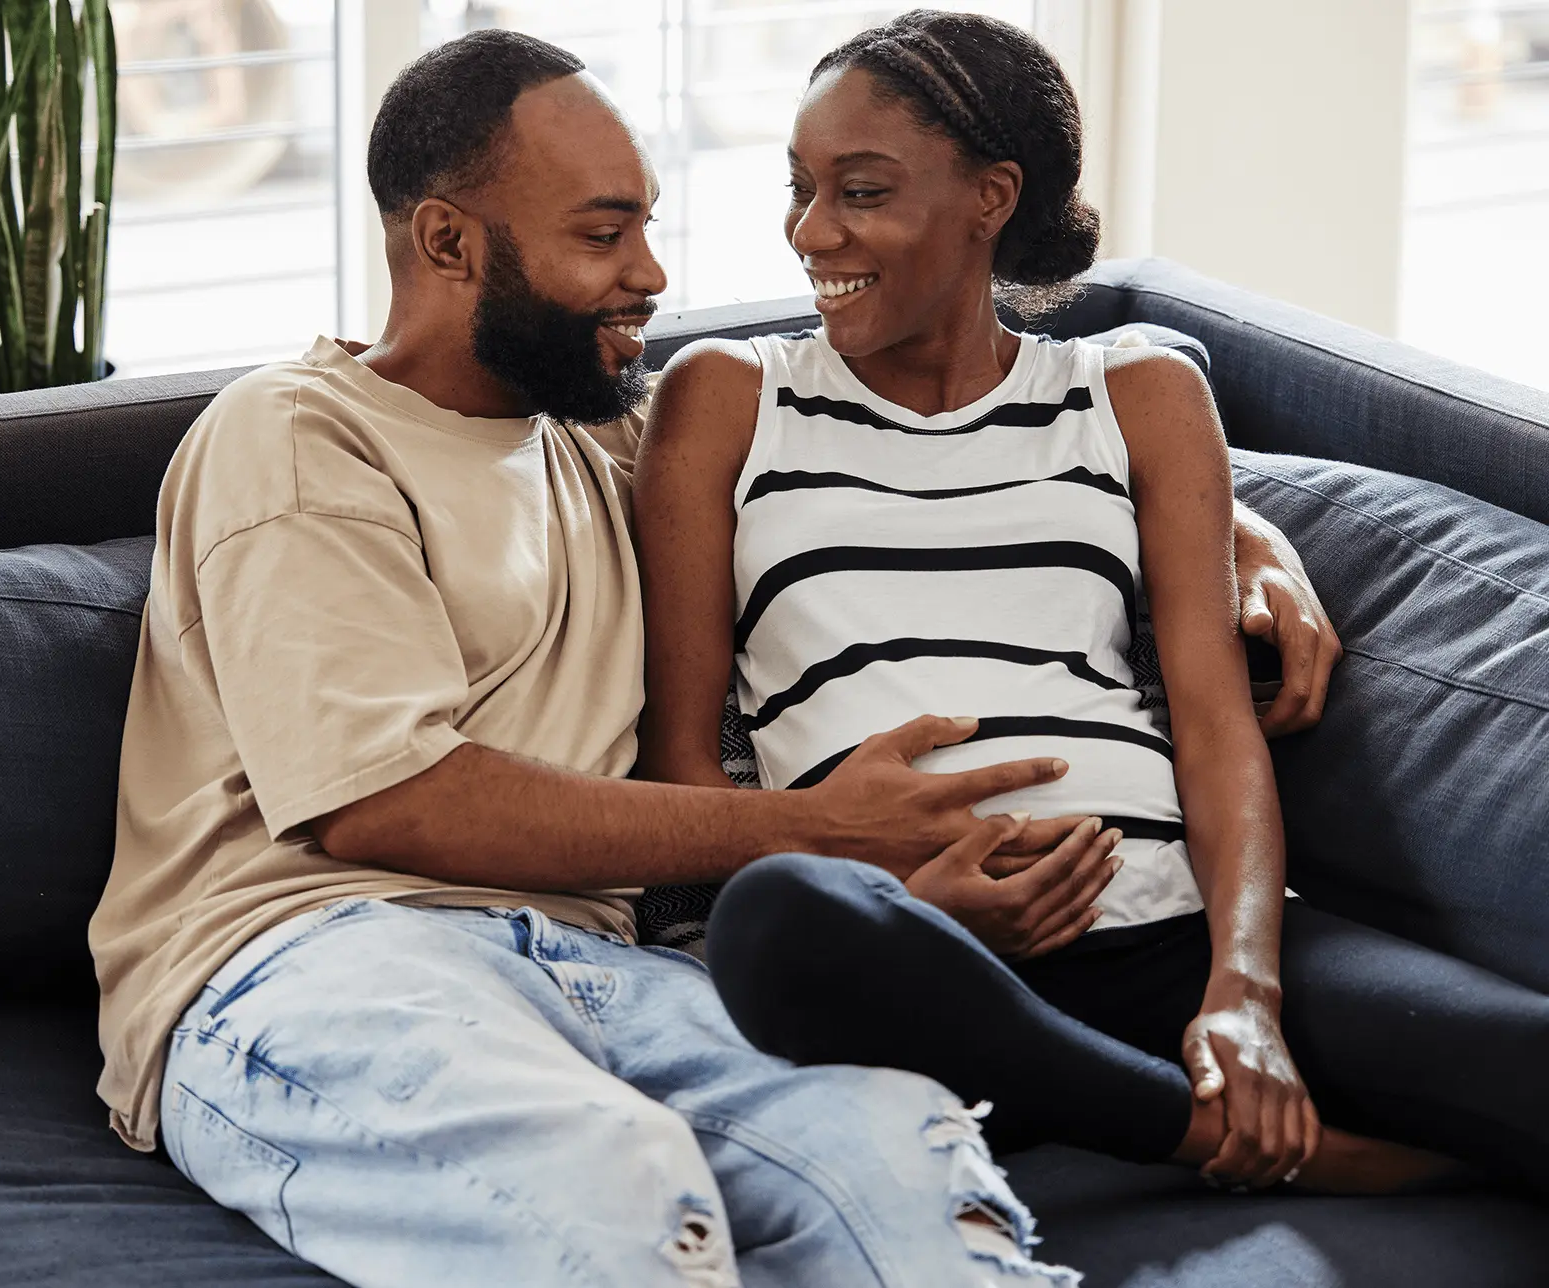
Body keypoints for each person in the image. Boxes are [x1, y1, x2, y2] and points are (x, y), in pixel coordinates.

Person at [89, 27, 1344, 1288]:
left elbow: (945, 454)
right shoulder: (301, 436)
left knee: (913, 1175)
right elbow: (389, 800)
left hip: (612, 974)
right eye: (601, 236)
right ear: (449, 244)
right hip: (318, 956)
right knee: (626, 1199)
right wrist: (817, 832)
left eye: (645, 227)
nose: (651, 274)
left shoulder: (595, 435)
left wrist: (1245, 535)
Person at [635, 9, 1549, 1200]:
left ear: (989, 197)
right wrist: (920, 909)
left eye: (859, 191)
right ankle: (1230, 1137)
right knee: (774, 921)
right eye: (800, 189)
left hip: (1169, 927)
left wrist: (1244, 994)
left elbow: (1216, 726)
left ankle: (1147, 1098)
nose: (813, 233)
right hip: (905, 948)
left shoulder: (1138, 389)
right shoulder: (725, 396)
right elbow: (679, 777)